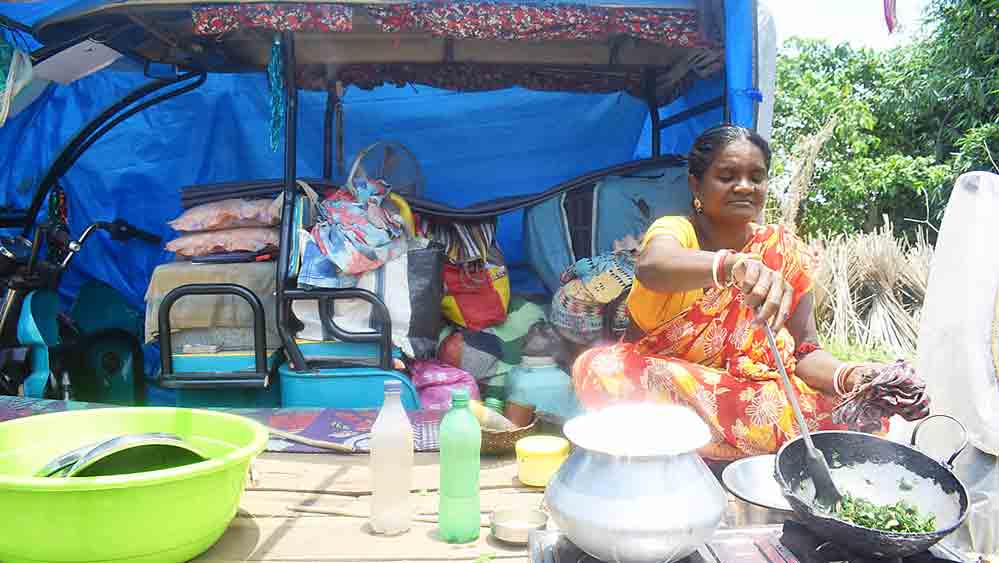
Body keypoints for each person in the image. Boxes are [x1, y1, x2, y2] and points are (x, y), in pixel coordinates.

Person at [572, 124, 929, 461]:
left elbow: (806, 352)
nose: (744, 186)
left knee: (857, 414)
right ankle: (769, 449)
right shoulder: (676, 230)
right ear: (696, 186)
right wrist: (731, 267)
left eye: (756, 177)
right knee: (602, 369)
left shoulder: (784, 250)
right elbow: (653, 265)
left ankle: (711, 447)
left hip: (750, 396)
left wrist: (850, 376)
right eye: (727, 176)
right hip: (672, 387)